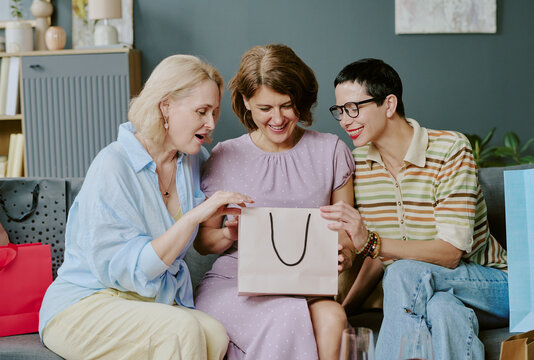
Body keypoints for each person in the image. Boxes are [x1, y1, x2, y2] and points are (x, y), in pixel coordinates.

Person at [39, 55, 253, 360]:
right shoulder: (113, 165)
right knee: (182, 331)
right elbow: (131, 272)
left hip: (147, 301)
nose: (211, 124)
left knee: (215, 335)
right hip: (87, 301)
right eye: (201, 111)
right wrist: (193, 216)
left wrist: (229, 234)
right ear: (166, 106)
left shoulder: (191, 160)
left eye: (215, 112)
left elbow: (209, 237)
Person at [320, 58, 509, 359]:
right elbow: (378, 257)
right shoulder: (360, 165)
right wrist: (343, 311)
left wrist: (371, 242)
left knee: (402, 273)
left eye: (354, 108)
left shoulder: (450, 149)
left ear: (389, 104)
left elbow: (449, 254)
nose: (345, 120)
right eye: (340, 111)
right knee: (444, 310)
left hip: (491, 286)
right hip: (426, 291)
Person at [194, 44, 356, 360]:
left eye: (287, 105)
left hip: (305, 284)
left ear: (301, 101)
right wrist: (230, 233)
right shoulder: (226, 156)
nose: (278, 118)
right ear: (246, 102)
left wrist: (345, 256)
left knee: (334, 318)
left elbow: (346, 236)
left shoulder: (331, 151)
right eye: (265, 108)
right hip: (237, 284)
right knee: (283, 316)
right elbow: (203, 242)